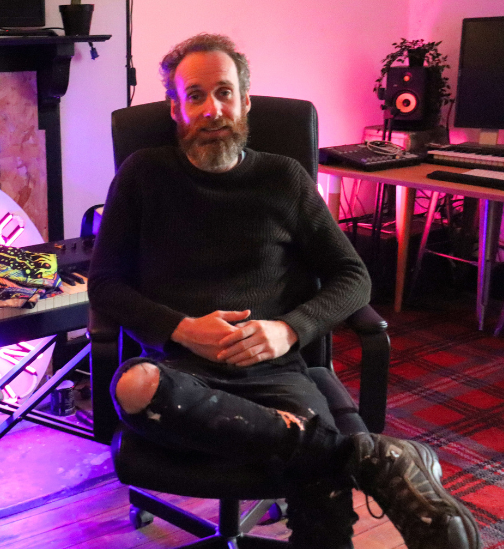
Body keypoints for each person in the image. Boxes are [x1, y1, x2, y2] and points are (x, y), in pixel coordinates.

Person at [87, 33, 480, 549]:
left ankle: (329, 460)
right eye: (196, 95)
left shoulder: (284, 179)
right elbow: (105, 286)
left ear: (245, 102)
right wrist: (181, 329)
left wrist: (287, 329)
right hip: (181, 375)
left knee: (313, 476)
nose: (212, 108)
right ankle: (363, 456)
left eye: (224, 92)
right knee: (133, 386)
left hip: (276, 373)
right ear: (176, 108)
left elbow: (353, 275)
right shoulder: (144, 176)